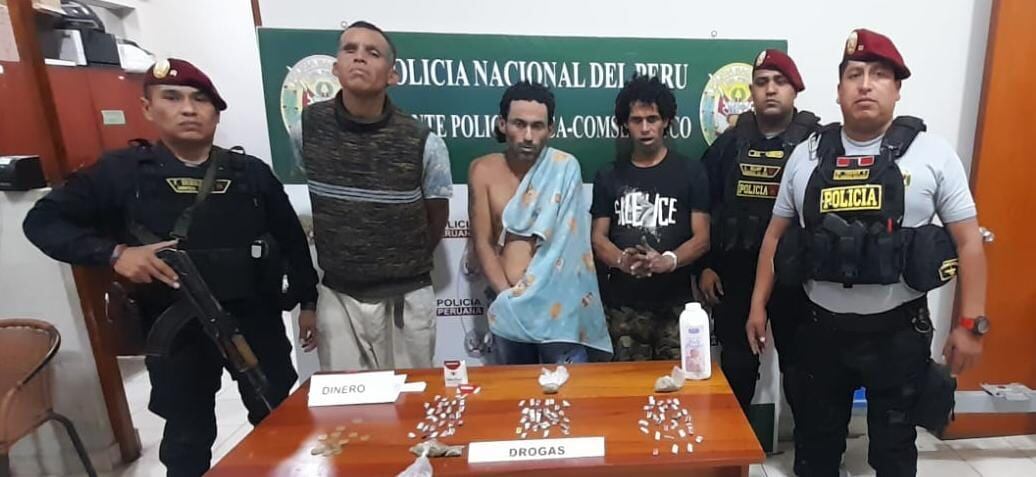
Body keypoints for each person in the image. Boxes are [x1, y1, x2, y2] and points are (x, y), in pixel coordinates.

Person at [22, 58, 318, 477]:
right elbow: (43, 222)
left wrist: (308, 301)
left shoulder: (250, 173)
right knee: (187, 439)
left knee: (277, 422)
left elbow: (291, 240)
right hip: (175, 326)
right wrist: (115, 254)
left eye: (200, 100)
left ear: (216, 113)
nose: (188, 109)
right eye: (172, 98)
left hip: (254, 319)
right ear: (148, 108)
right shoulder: (123, 173)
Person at [747, 29, 987, 476]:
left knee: (894, 453)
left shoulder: (932, 154)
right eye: (854, 75)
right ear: (838, 90)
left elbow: (969, 240)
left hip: (898, 334)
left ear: (896, 89)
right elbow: (775, 237)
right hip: (819, 332)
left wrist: (971, 324)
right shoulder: (807, 155)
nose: (865, 84)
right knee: (815, 451)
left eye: (879, 75)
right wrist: (758, 304)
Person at [302, 21, 452, 371]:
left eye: (373, 53)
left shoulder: (423, 141)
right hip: (338, 295)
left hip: (405, 296)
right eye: (349, 49)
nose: (359, 58)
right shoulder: (307, 128)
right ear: (336, 67)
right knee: (346, 399)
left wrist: (399, 263)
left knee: (412, 397)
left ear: (392, 75)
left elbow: (436, 217)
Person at [697, 49, 819, 460]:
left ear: (795, 89)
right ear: (750, 91)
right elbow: (706, 207)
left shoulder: (817, 144)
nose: (770, 90)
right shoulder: (729, 144)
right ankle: (730, 454)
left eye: (779, 82)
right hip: (735, 275)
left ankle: (812, 455)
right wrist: (705, 266)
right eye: (762, 82)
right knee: (737, 368)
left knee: (802, 371)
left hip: (797, 278)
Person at [469, 81, 612, 364]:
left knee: (570, 390)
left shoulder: (564, 167)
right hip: (510, 311)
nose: (528, 136)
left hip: (561, 314)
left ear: (551, 129)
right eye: (519, 124)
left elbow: (570, 249)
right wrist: (507, 297)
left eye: (537, 126)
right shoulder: (482, 171)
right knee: (515, 390)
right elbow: (483, 242)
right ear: (502, 124)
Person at [590, 75, 710, 361]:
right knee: (628, 384)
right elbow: (597, 238)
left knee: (681, 382)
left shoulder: (691, 172)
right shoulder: (608, 175)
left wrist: (668, 260)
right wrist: (622, 260)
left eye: (652, 119)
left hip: (676, 306)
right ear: (625, 124)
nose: (645, 128)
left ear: (666, 121)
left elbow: (703, 238)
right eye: (636, 120)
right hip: (624, 308)